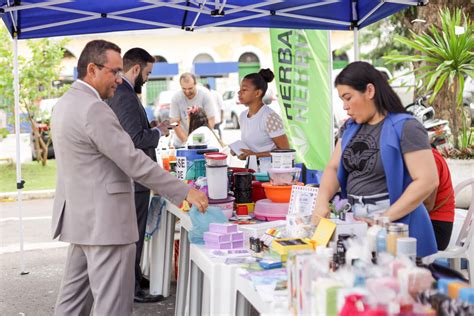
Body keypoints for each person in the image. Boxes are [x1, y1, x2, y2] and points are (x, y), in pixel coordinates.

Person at [51, 40, 208, 316]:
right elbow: (134, 160)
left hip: (80, 220)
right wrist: (184, 191)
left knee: (71, 305)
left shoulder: (65, 103)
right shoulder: (94, 109)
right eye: (114, 71)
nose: (119, 78)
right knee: (113, 307)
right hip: (106, 223)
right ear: (92, 69)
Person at [311, 61, 438, 258]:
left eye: (348, 97)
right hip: (358, 220)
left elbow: (427, 181)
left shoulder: (406, 127)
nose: (345, 106)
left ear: (369, 91)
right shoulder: (350, 128)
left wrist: (384, 218)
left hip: (396, 223)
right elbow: (333, 167)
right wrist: (321, 201)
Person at [106, 48, 171, 303]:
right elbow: (134, 139)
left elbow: (131, 130)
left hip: (133, 178)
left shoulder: (125, 92)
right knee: (133, 234)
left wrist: (153, 127)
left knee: (134, 233)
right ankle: (132, 287)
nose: (148, 78)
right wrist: (157, 134)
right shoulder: (124, 94)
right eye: (148, 72)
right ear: (136, 69)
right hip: (134, 178)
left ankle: (135, 277)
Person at [236, 68, 290, 160]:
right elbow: (253, 145)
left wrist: (255, 155)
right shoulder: (242, 116)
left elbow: (285, 151)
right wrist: (239, 150)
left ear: (258, 93)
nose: (239, 93)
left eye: (244, 90)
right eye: (240, 89)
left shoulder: (269, 117)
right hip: (252, 170)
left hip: (271, 172)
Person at [169, 73, 216, 147]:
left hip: (202, 141)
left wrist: (202, 139)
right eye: (184, 89)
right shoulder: (176, 97)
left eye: (190, 88)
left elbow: (211, 119)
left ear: (195, 84)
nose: (187, 91)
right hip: (181, 142)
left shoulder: (205, 95)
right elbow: (174, 123)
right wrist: (187, 141)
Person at [424, 146, 455, 250]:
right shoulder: (425, 155)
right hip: (430, 222)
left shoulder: (430, 159)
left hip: (436, 229)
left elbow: (428, 205)